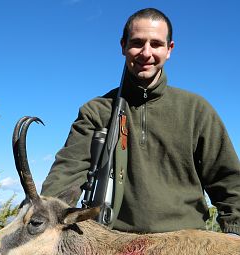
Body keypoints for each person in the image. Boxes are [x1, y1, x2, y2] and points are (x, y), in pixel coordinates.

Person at [41, 8, 240, 235]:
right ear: (123, 46)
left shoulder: (196, 110)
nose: (146, 53)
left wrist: (234, 233)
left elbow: (228, 181)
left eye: (156, 44)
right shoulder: (96, 111)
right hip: (116, 245)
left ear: (169, 49)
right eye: (137, 43)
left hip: (186, 246)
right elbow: (68, 170)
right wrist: (44, 218)